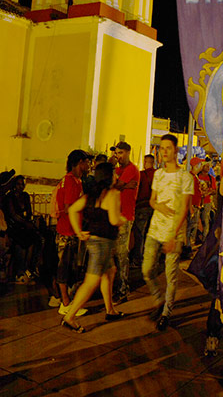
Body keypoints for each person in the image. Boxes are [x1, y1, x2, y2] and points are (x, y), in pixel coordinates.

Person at [61, 162, 127, 332]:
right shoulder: (112, 194)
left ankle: (110, 309)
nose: (116, 177)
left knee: (110, 271)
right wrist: (123, 219)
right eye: (114, 174)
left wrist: (79, 231)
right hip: (103, 243)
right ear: (108, 176)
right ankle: (70, 316)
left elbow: (73, 209)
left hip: (93, 241)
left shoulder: (90, 195)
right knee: (91, 281)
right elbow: (113, 220)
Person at [142, 134, 193, 331]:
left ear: (176, 151)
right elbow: (152, 200)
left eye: (168, 148)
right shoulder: (158, 175)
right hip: (154, 230)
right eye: (161, 148)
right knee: (147, 269)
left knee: (171, 275)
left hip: (174, 233)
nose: (164, 151)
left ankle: (166, 313)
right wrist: (158, 206)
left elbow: (184, 209)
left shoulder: (185, 177)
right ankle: (158, 299)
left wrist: (173, 236)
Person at [55, 149, 90, 316]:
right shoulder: (70, 181)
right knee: (64, 268)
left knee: (70, 268)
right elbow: (69, 207)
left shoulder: (77, 181)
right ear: (79, 163)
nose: (89, 165)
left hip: (71, 231)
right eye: (87, 162)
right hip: (67, 232)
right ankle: (65, 303)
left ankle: (68, 300)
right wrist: (85, 200)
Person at [112, 141, 140, 304]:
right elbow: (107, 184)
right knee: (114, 253)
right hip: (114, 215)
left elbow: (116, 185)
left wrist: (120, 185)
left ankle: (122, 289)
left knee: (122, 254)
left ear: (128, 152)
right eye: (117, 152)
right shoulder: (117, 169)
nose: (118, 156)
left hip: (125, 216)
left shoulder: (131, 169)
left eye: (121, 152)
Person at [4, 175, 42, 283]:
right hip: (14, 226)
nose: (21, 186)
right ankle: (20, 271)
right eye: (18, 184)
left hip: (25, 225)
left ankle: (28, 268)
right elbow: (13, 214)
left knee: (35, 239)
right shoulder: (10, 197)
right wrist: (25, 222)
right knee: (21, 241)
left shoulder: (25, 196)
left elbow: (29, 211)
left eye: (22, 184)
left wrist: (29, 222)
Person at [130, 154, 155, 267]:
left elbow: (137, 191)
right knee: (149, 234)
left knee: (139, 233)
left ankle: (138, 258)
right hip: (154, 207)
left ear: (147, 162)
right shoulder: (158, 175)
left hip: (142, 206)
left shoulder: (141, 175)